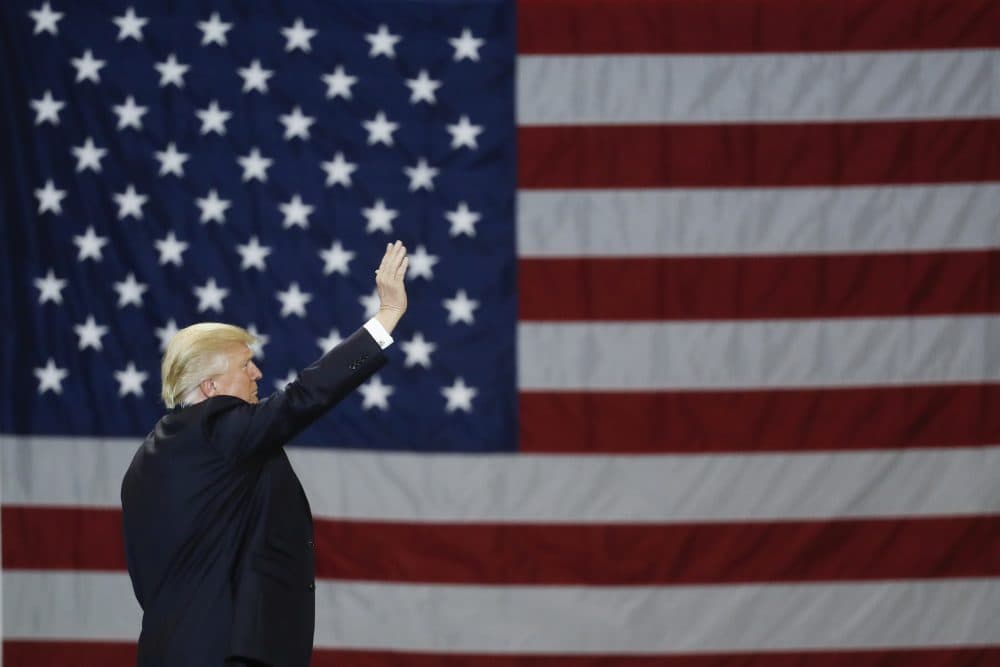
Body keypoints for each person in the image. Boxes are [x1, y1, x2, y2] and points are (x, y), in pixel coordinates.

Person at [121, 241, 409, 666]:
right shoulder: (217, 428)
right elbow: (302, 397)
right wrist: (386, 317)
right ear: (211, 388)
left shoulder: (145, 462)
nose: (257, 373)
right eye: (244, 365)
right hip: (227, 654)